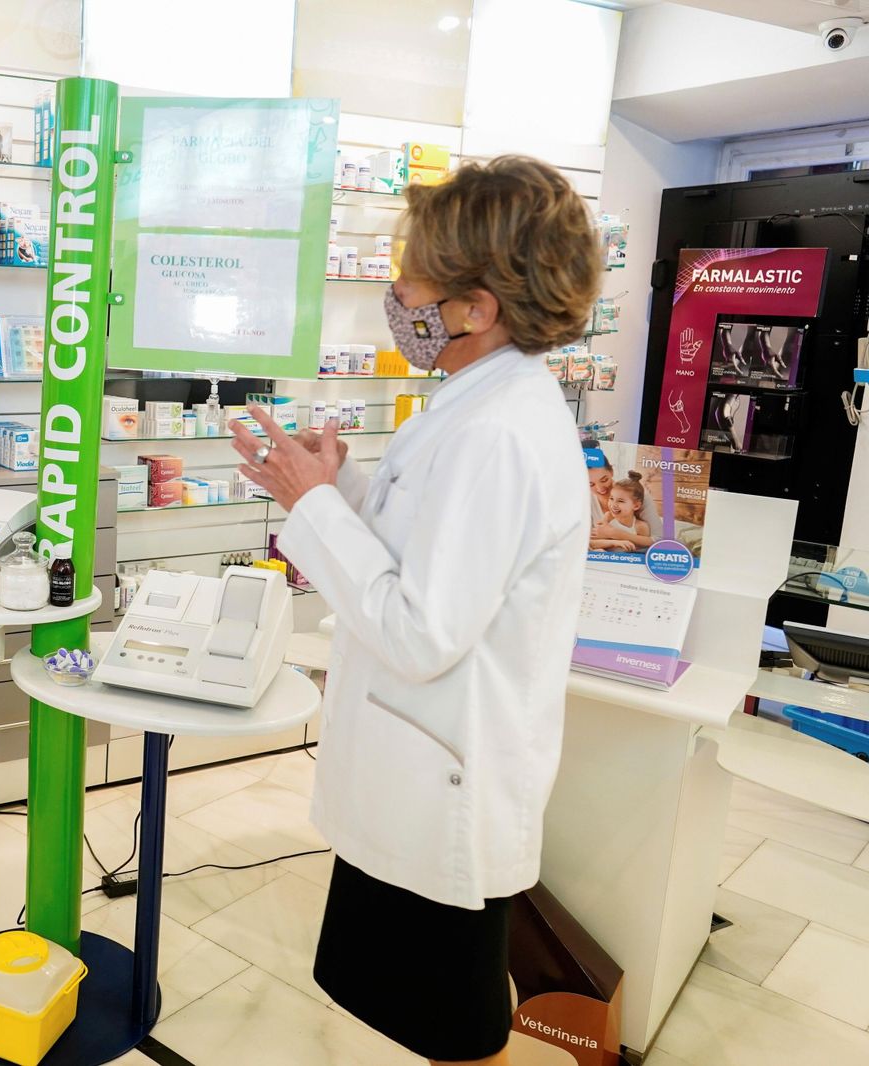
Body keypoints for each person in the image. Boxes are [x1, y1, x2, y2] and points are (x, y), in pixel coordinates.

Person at [231, 156, 601, 1066]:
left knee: (459, 1032)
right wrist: (341, 487)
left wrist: (314, 506)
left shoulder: (497, 432)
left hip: (443, 773)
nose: (396, 293)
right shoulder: (478, 403)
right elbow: (426, 547)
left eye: (414, 277)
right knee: (438, 1009)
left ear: (477, 308)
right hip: (418, 757)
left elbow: (421, 630)